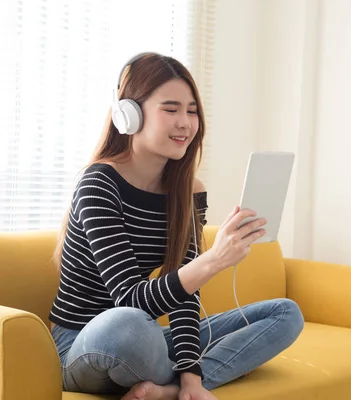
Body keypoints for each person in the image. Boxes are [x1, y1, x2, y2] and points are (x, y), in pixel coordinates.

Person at [48, 52, 304, 400]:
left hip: (146, 337)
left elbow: (184, 299)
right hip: (84, 344)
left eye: (192, 111)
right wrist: (213, 260)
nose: (185, 122)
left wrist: (191, 379)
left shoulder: (189, 190)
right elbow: (131, 299)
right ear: (129, 115)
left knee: (284, 313)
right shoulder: (99, 184)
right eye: (171, 109)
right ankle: (179, 379)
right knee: (127, 323)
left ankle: (169, 392)